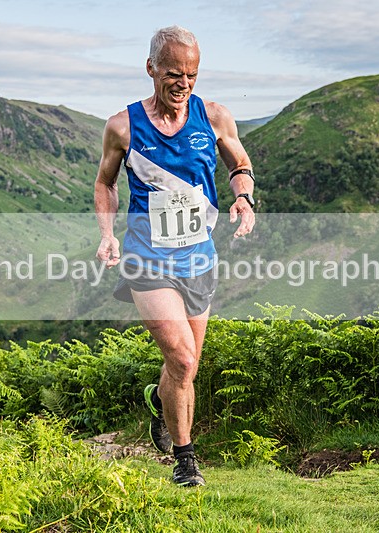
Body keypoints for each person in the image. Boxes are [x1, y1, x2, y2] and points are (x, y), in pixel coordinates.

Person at [94, 25, 256, 487]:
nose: (183, 83)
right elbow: (105, 183)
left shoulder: (216, 117)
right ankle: (186, 462)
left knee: (184, 367)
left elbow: (240, 165)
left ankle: (159, 403)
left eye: (191, 74)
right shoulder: (123, 126)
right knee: (183, 362)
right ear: (150, 69)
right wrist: (107, 234)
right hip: (147, 260)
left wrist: (243, 198)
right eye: (173, 73)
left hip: (199, 259)